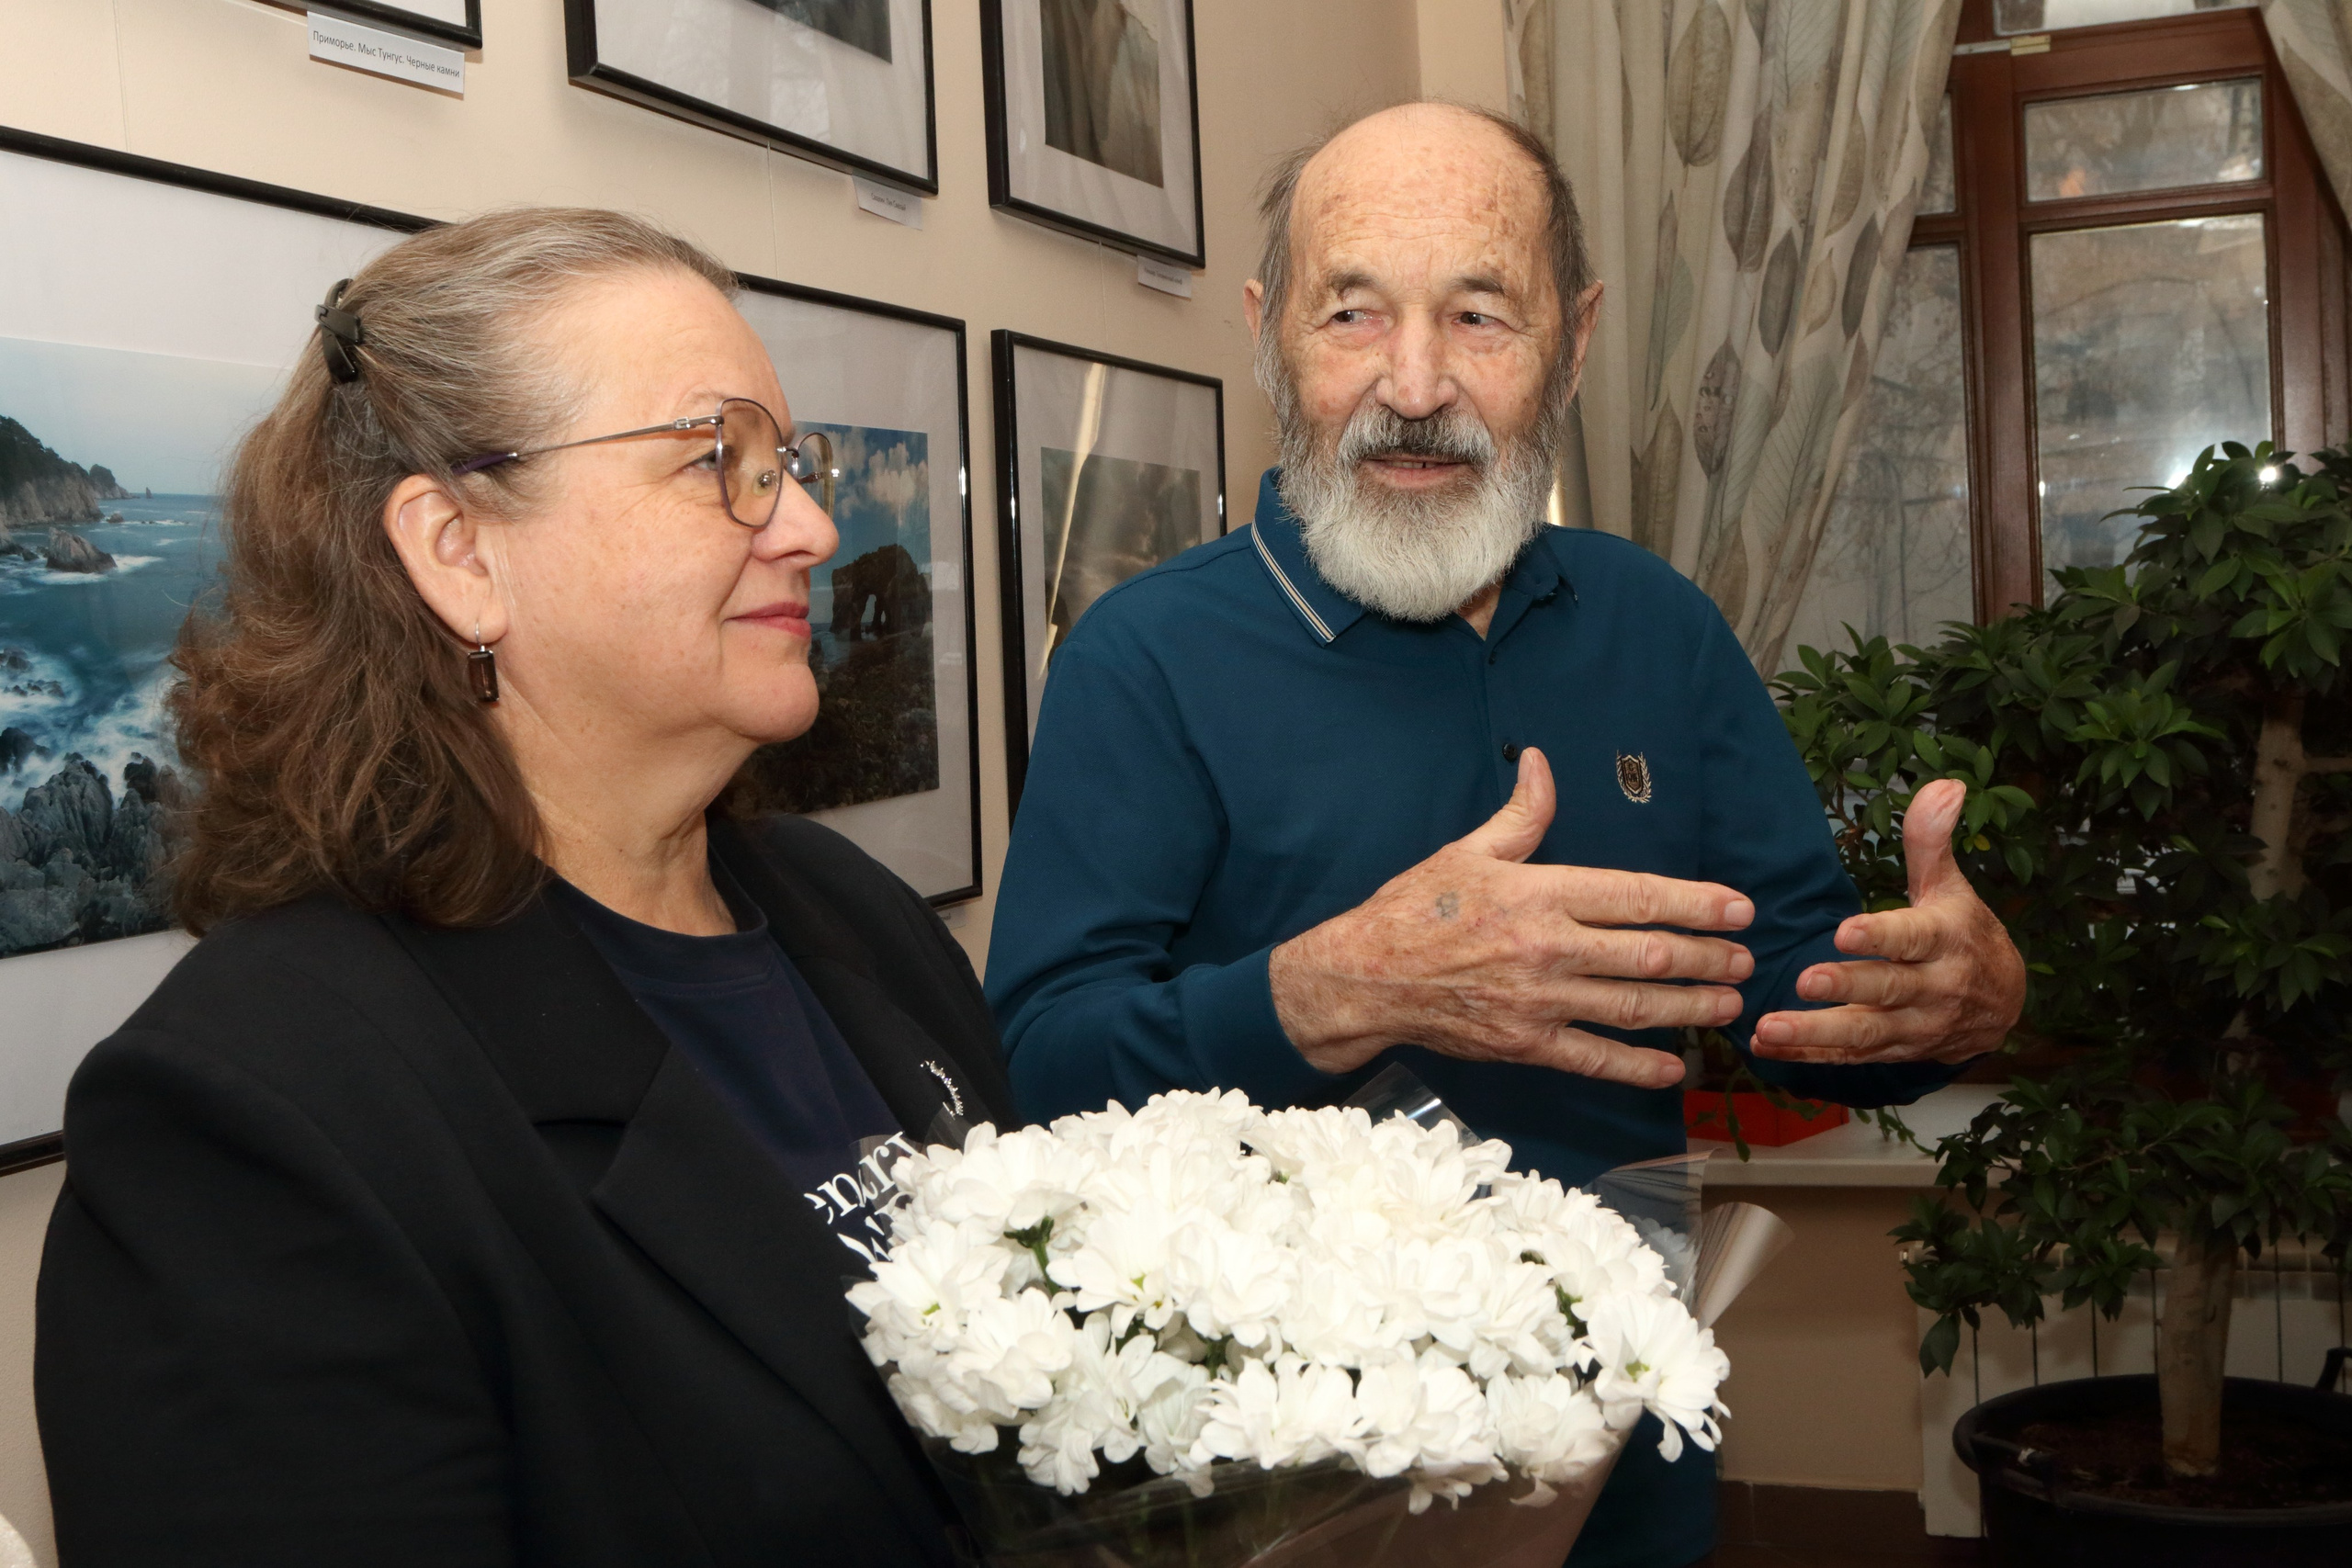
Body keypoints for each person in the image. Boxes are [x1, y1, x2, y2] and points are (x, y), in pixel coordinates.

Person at [984, 104, 2026, 1568]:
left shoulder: (1657, 623)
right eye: (1354, 313)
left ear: (1579, 340)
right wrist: (1339, 989)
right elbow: (1032, 1071)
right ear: (1272, 325)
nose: (1414, 387)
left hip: (1620, 1455)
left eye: (1481, 315)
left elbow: (1803, 995)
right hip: (1282, 1490)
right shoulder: (1139, 660)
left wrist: (1956, 1000)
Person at [35, 209, 1007, 1567]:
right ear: (461, 552)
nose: (811, 524)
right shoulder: (252, 1121)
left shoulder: (857, 913)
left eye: (788, 459)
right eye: (716, 459)